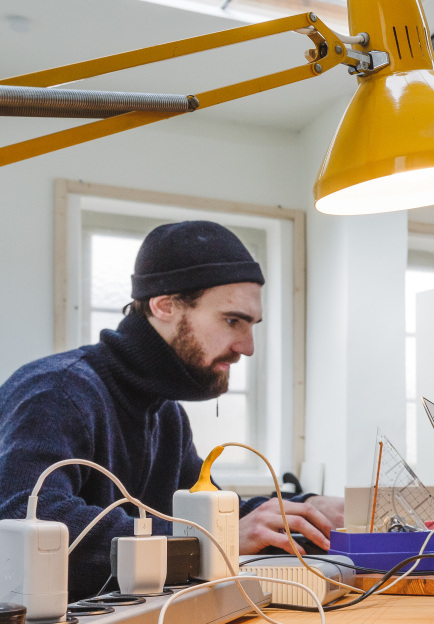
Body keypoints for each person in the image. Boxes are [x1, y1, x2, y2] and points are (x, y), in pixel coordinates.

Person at [0, 221, 345, 600]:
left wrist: (309, 508)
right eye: (233, 320)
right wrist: (218, 541)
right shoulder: (60, 391)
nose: (247, 346)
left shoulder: (166, 415)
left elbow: (208, 513)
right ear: (163, 305)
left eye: (252, 326)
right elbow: (29, 518)